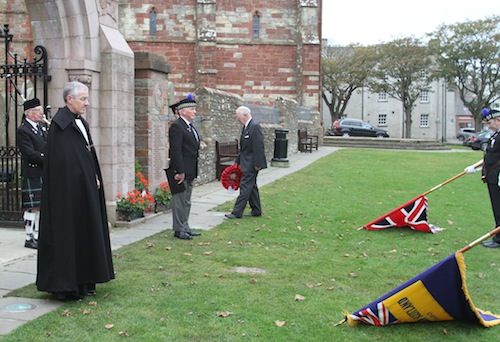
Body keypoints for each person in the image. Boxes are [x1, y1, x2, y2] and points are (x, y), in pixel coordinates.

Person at [36, 81, 114, 300]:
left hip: (84, 191)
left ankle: (86, 279)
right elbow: (64, 164)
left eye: (87, 98)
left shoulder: (80, 123)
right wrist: (85, 180)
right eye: (83, 99)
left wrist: (94, 177)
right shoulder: (60, 126)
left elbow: (85, 157)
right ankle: (68, 286)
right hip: (68, 196)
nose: (87, 103)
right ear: (69, 99)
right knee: (69, 236)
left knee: (85, 233)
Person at [464, 107, 500, 248]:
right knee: (496, 208)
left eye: (489, 122)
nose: (488, 126)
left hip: (498, 178)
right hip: (492, 177)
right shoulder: (495, 136)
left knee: (499, 208)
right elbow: (491, 156)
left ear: (498, 120)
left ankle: (498, 239)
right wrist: (475, 166)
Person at [168, 94, 202, 240]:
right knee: (179, 201)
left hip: (190, 170)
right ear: (183, 111)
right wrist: (180, 171)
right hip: (180, 172)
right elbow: (175, 151)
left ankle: (185, 226)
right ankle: (179, 229)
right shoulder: (177, 127)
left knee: (186, 201)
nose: (195, 111)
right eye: (192, 109)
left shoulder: (189, 127)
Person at [225, 106, 267, 219]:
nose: (237, 119)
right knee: (251, 186)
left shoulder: (254, 126)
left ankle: (236, 212)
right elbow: (244, 149)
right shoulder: (246, 127)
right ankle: (256, 210)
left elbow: (258, 146)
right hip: (245, 162)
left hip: (252, 163)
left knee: (245, 186)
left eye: (238, 116)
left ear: (245, 115)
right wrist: (237, 162)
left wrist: (258, 164)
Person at [16, 98, 46, 249]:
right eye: (38, 111)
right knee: (32, 207)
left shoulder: (41, 127)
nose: (42, 113)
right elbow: (29, 153)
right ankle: (29, 238)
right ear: (29, 113)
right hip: (32, 172)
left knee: (40, 206)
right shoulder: (23, 130)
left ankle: (38, 235)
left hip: (42, 171)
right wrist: (47, 158)